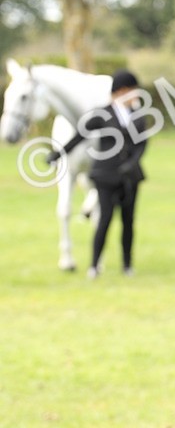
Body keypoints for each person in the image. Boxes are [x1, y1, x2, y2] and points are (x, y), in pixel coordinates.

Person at [48, 69, 148, 278]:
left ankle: (127, 265)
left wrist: (132, 163)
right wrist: (58, 154)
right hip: (105, 175)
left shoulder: (138, 116)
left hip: (130, 176)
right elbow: (80, 135)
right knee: (104, 220)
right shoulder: (102, 114)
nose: (137, 96)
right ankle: (94, 265)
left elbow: (142, 144)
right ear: (122, 91)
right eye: (133, 91)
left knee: (128, 222)